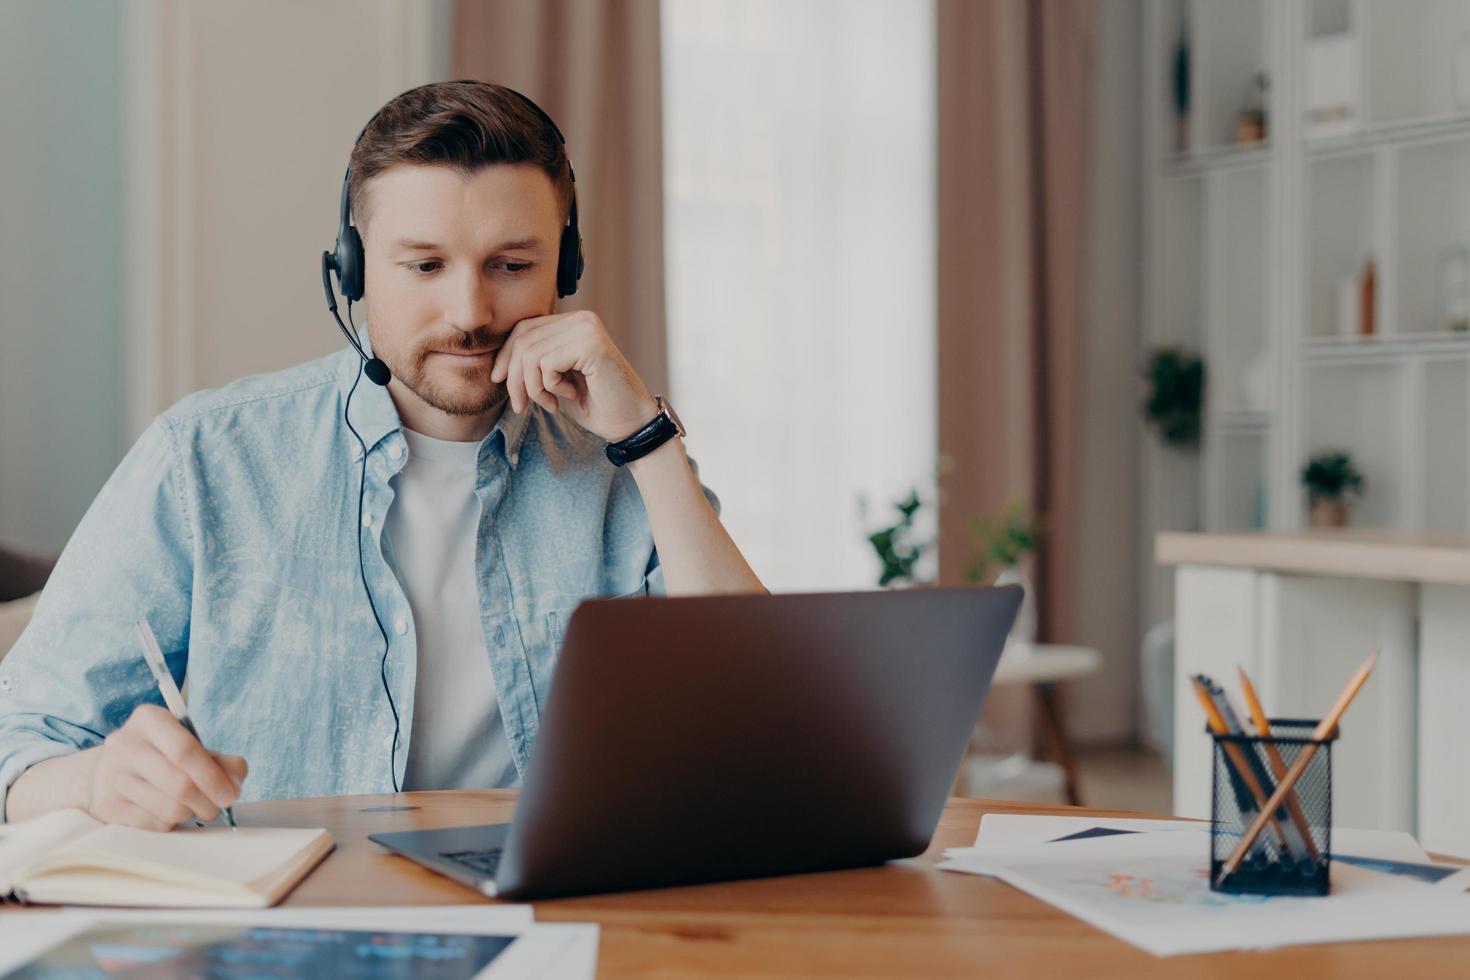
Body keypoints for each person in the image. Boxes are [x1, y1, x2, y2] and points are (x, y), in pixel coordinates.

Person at [0, 80, 764, 828]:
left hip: (555, 912)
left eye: (512, 265)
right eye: (425, 266)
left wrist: (650, 441)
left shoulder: (623, 457)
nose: (470, 314)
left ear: (565, 270)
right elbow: (18, 743)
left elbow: (761, 723)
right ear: (353, 270)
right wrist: (100, 781)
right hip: (292, 928)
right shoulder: (205, 458)